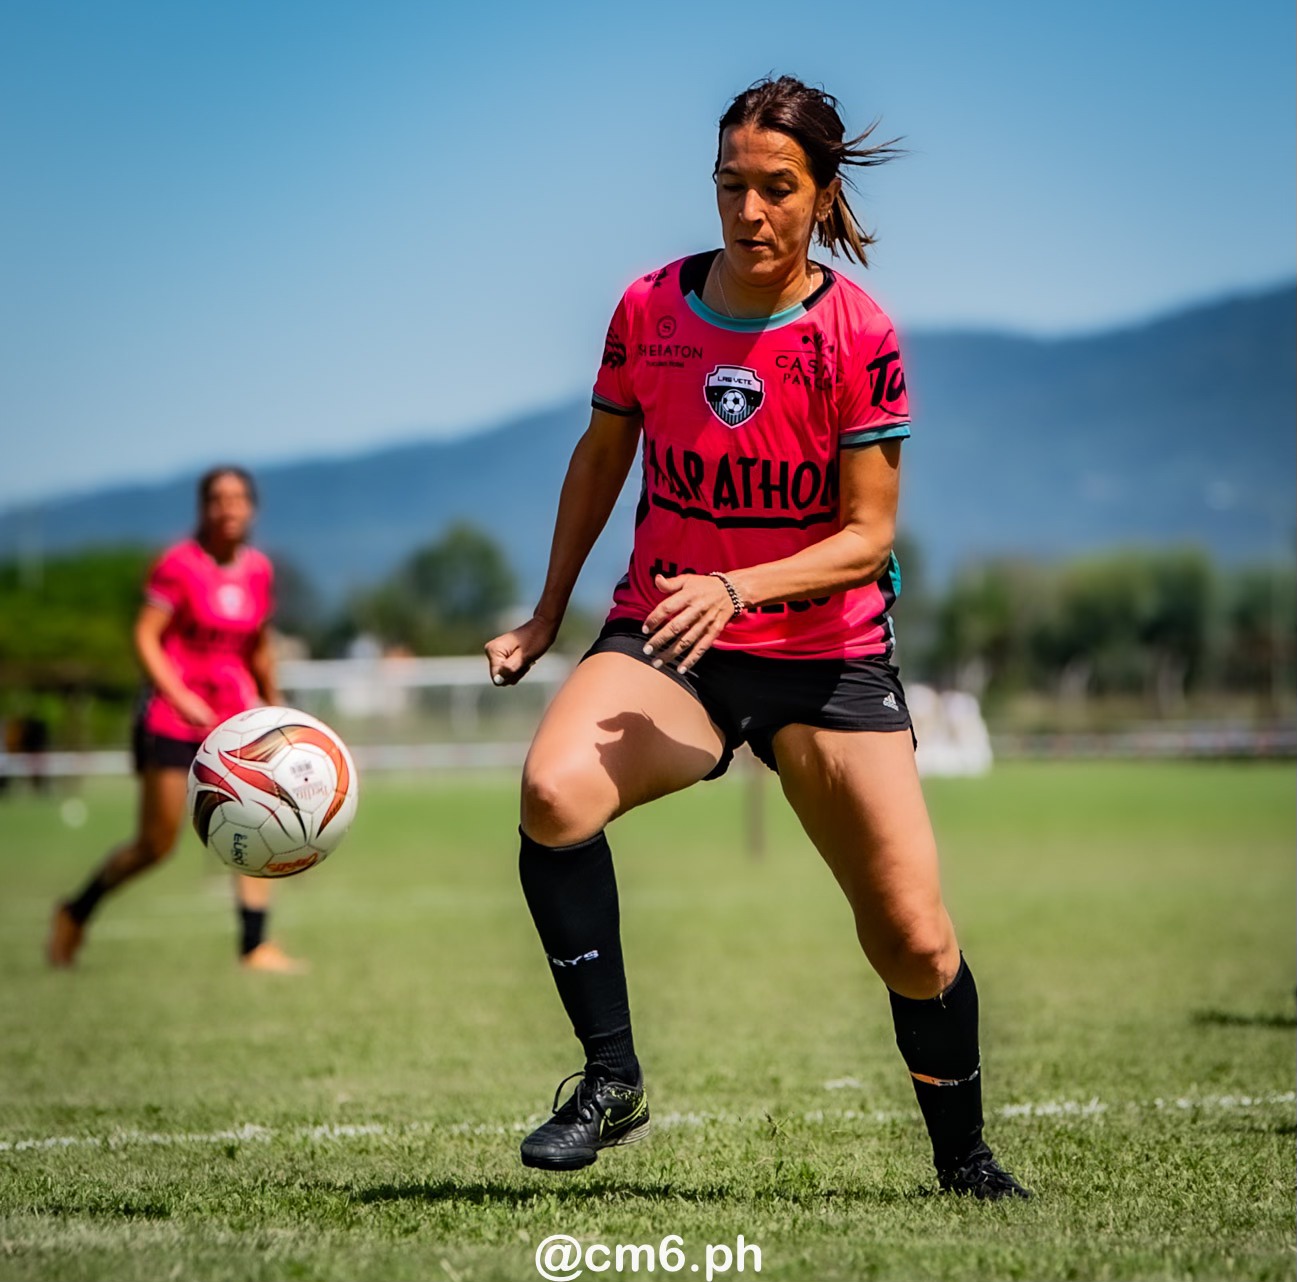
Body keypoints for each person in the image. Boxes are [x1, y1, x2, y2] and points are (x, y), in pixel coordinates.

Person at [485, 76, 1029, 1198]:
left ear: (821, 195)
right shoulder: (647, 309)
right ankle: (610, 1075)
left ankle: (965, 1162)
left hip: (825, 658)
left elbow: (867, 535)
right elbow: (600, 461)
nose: (749, 211)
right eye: (730, 185)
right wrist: (548, 610)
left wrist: (737, 588)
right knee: (552, 791)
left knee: (916, 943)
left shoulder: (857, 333)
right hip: (668, 638)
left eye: (777, 188)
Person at [47, 466, 305, 974]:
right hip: (171, 718)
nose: (227, 507)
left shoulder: (258, 571)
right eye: (217, 498)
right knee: (155, 845)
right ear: (203, 508)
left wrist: (278, 713)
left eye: (237, 498)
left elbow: (258, 650)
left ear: (252, 508)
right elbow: (145, 637)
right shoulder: (178, 565)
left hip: (233, 720)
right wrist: (179, 694)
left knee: (261, 822)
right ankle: (75, 911)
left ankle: (255, 946)